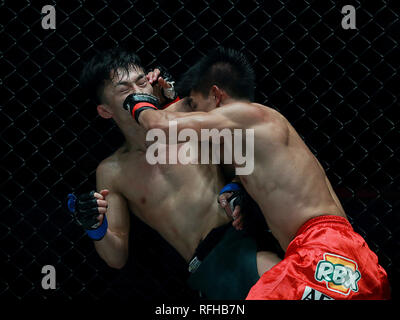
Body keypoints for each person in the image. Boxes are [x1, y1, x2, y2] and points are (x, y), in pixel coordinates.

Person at [131, 47, 391, 300]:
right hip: (343, 256)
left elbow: (159, 125)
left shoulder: (247, 115)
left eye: (195, 105)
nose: (194, 114)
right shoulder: (252, 133)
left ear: (216, 95)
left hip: (323, 251)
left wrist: (138, 98)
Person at [67, 47, 281, 300]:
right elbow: (116, 257)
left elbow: (251, 146)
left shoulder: (188, 112)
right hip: (208, 268)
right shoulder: (112, 172)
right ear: (105, 111)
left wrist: (239, 186)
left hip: (249, 240)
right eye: (124, 90)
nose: (137, 94)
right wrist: (95, 226)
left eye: (141, 82)